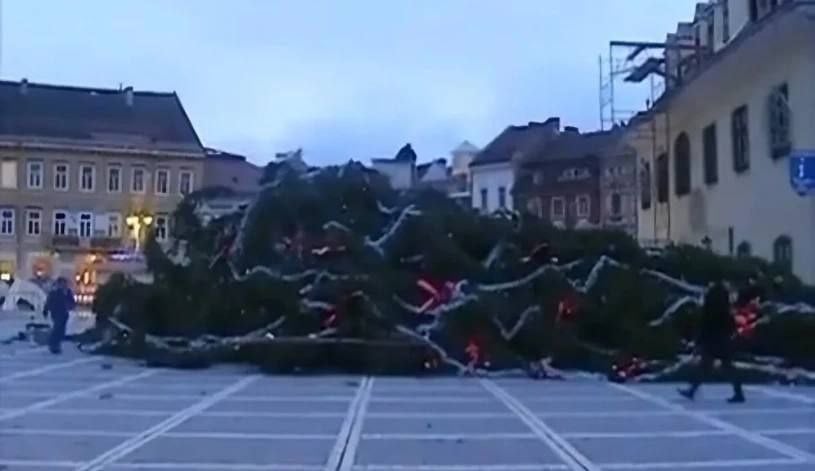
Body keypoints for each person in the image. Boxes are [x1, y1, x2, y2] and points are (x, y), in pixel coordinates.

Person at [679, 280, 745, 403]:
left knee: (706, 367)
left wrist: (699, 340)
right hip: (723, 340)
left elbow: (705, 325)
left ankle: (692, 391)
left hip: (712, 341)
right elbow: (731, 324)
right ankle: (738, 393)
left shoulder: (710, 307)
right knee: (726, 367)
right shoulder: (725, 308)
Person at [43, 277, 76, 354]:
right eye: (62, 283)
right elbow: (49, 301)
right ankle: (53, 344)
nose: (64, 285)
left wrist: (71, 306)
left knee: (61, 329)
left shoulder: (67, 292)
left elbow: (72, 301)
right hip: (56, 312)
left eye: (65, 283)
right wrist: (46, 310)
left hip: (64, 313)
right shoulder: (55, 292)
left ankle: (56, 344)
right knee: (57, 328)